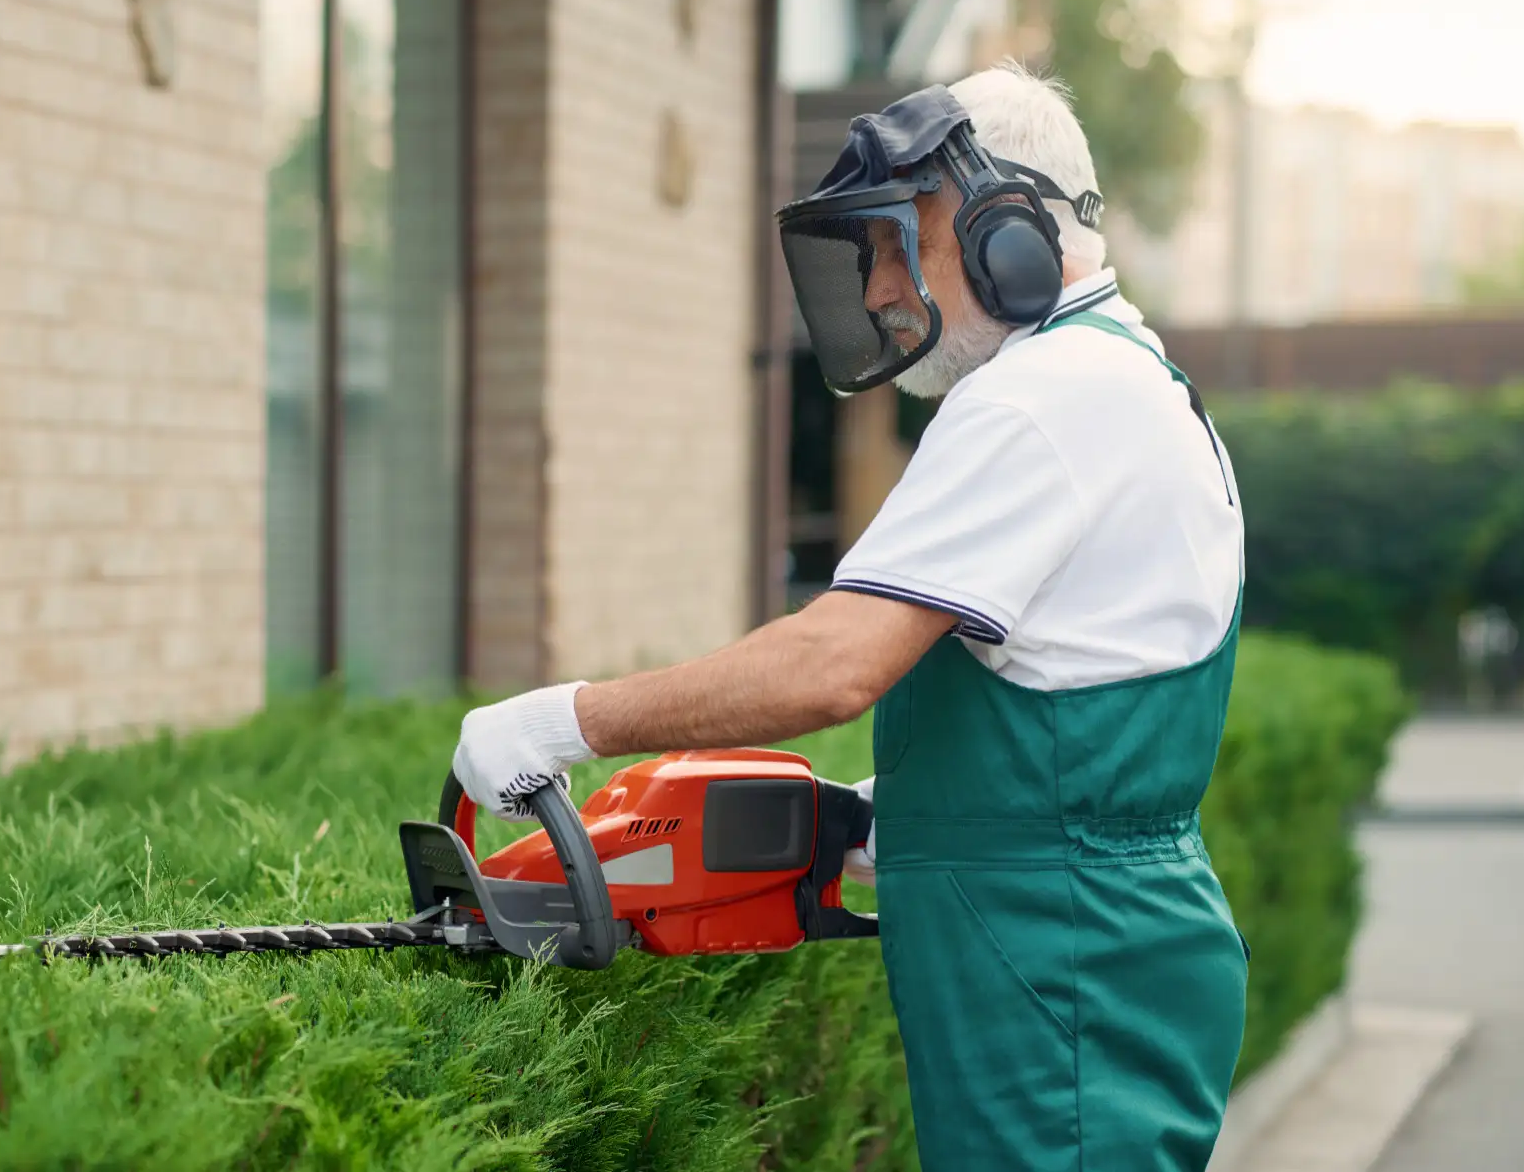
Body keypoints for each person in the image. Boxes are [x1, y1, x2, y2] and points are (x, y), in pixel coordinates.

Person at [451, 61, 1250, 1172]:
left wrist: (564, 721)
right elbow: (1088, 682)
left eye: (892, 242)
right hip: (1088, 932)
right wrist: (912, 812)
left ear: (1003, 228)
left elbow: (835, 663)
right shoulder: (1123, 377)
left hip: (1053, 955)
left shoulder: (1033, 403)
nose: (876, 289)